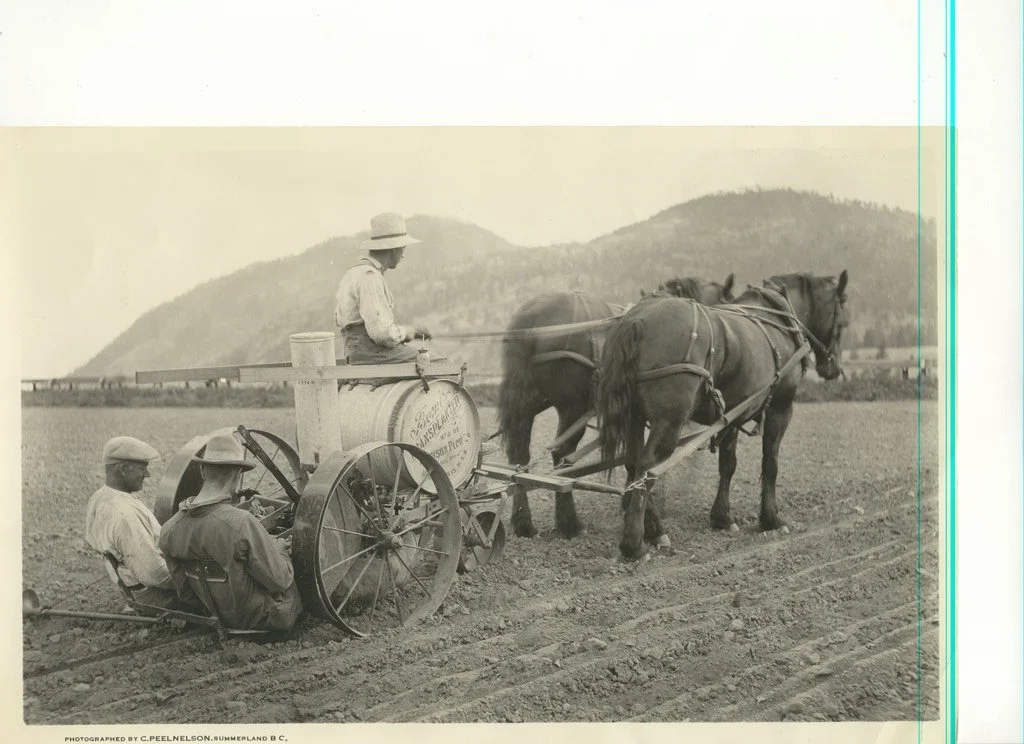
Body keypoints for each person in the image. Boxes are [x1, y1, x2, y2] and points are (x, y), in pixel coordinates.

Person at [157, 433, 303, 631]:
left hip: (214, 617)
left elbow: (185, 593)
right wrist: (279, 549)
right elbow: (280, 580)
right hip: (261, 619)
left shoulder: (169, 530)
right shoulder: (242, 523)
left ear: (202, 470)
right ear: (237, 474)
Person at [85, 436, 202, 614]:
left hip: (133, 587)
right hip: (156, 596)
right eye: (142, 468)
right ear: (123, 469)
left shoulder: (100, 497)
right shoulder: (125, 514)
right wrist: (196, 583)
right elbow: (155, 574)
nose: (147, 474)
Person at [335, 212, 437, 364]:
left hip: (355, 352)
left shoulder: (354, 272)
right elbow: (381, 334)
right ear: (394, 249)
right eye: (403, 249)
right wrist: (408, 332)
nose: (403, 256)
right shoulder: (371, 277)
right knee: (439, 363)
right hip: (373, 354)